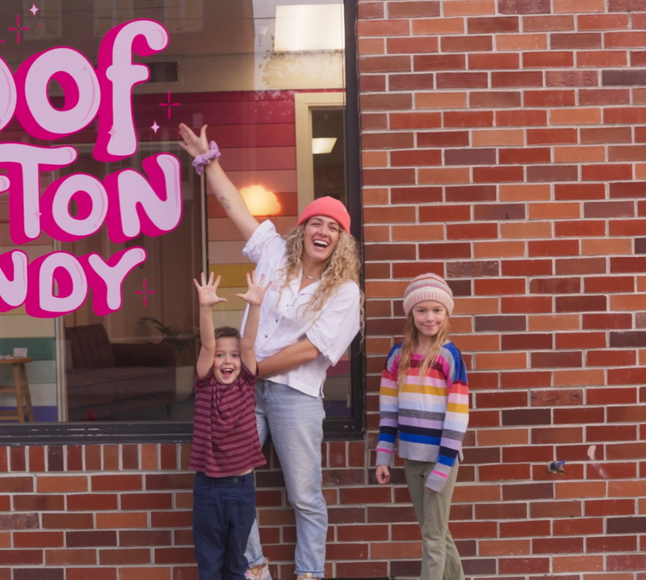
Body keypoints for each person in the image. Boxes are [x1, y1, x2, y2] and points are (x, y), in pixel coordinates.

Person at [179, 124, 363, 580]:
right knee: (235, 484)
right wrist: (209, 160)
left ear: (342, 241)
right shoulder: (275, 254)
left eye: (333, 227)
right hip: (241, 390)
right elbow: (235, 207)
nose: (323, 231)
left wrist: (249, 367)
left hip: (294, 396)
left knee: (304, 494)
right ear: (302, 228)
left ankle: (309, 573)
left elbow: (310, 350)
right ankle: (255, 567)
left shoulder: (344, 291)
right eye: (316, 222)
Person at [373, 274, 470, 580]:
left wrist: (444, 463)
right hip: (411, 457)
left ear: (447, 313)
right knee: (436, 532)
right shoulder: (396, 356)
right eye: (422, 310)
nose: (430, 317)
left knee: (432, 537)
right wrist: (384, 456)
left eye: (437, 310)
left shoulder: (449, 356)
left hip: (441, 458)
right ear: (410, 313)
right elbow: (389, 412)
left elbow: (458, 413)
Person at [191, 271, 270, 580]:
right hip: (208, 488)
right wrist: (205, 308)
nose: (228, 361)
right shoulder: (205, 386)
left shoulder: (246, 384)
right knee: (210, 564)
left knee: (238, 563)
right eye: (221, 356)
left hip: (242, 488)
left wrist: (255, 306)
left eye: (233, 356)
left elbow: (248, 344)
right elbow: (208, 347)